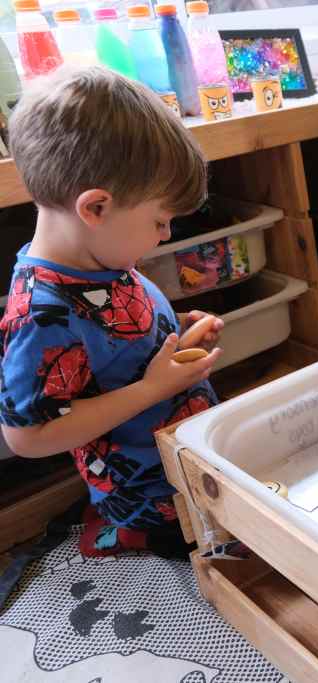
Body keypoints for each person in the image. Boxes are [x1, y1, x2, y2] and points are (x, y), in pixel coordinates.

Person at [1, 67, 223, 559]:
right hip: (151, 495)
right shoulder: (41, 315)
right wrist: (153, 389)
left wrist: (178, 339)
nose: (166, 235)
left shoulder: (100, 257)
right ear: (96, 208)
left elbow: (119, 350)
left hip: (186, 450)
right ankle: (125, 534)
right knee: (212, 548)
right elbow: (27, 436)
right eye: (160, 221)